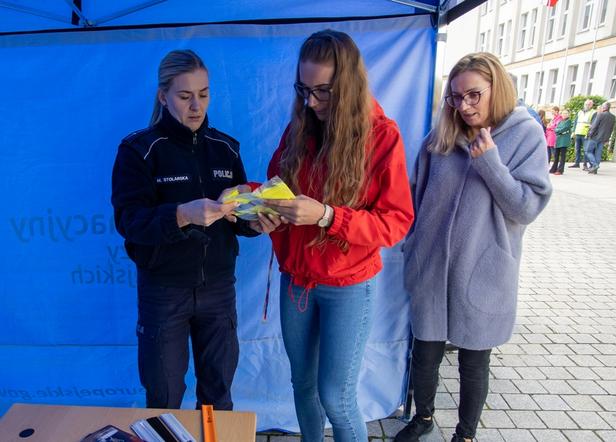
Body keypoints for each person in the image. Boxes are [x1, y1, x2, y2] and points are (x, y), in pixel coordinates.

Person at [262, 30, 414, 441]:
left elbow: (395, 222)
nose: (311, 102)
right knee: (303, 386)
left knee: (337, 396)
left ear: (348, 85)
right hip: (297, 282)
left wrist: (328, 215)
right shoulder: (300, 127)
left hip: (348, 286)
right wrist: (265, 210)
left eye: (323, 91)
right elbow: (278, 187)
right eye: (303, 89)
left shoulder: (382, 136)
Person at [397, 52, 552, 442]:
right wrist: (411, 247)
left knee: (473, 359)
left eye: (473, 95)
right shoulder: (440, 137)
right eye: (455, 97)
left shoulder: (526, 134)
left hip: (483, 269)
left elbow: (525, 207)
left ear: (495, 88)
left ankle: (465, 435)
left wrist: (491, 164)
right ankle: (424, 417)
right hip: (431, 265)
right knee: (425, 352)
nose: (463, 106)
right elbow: (414, 199)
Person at [111, 49, 269, 410]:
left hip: (218, 289)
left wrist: (255, 222)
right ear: (163, 96)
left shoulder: (226, 148)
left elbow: (240, 216)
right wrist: (182, 214)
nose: (196, 106)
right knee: (164, 395)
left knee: (218, 395)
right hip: (163, 291)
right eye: (185, 96)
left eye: (204, 94)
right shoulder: (139, 150)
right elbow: (129, 222)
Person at [585, 101, 616, 174]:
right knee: (598, 153)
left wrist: (590, 134)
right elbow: (611, 129)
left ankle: (595, 165)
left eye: (602, 106)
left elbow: (594, 126)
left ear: (604, 107)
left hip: (595, 137)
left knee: (588, 151)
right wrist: (607, 139)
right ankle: (595, 169)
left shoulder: (600, 115)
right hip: (603, 138)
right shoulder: (613, 117)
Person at [569, 99, 595, 169]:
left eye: (589, 104)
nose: (587, 105)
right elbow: (575, 122)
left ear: (591, 105)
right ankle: (577, 163)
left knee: (586, 150)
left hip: (586, 134)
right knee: (577, 149)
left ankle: (585, 165)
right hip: (578, 132)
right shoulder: (580, 112)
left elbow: (593, 124)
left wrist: (589, 133)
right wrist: (573, 131)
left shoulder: (593, 112)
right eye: (586, 104)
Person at [550, 109, 572, 175]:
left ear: (568, 114)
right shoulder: (560, 121)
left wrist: (558, 130)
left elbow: (564, 128)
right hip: (558, 139)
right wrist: (558, 130)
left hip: (564, 140)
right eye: (563, 113)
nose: (564, 114)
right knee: (556, 156)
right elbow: (556, 129)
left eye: (566, 113)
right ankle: (554, 169)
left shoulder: (569, 121)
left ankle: (560, 170)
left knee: (562, 156)